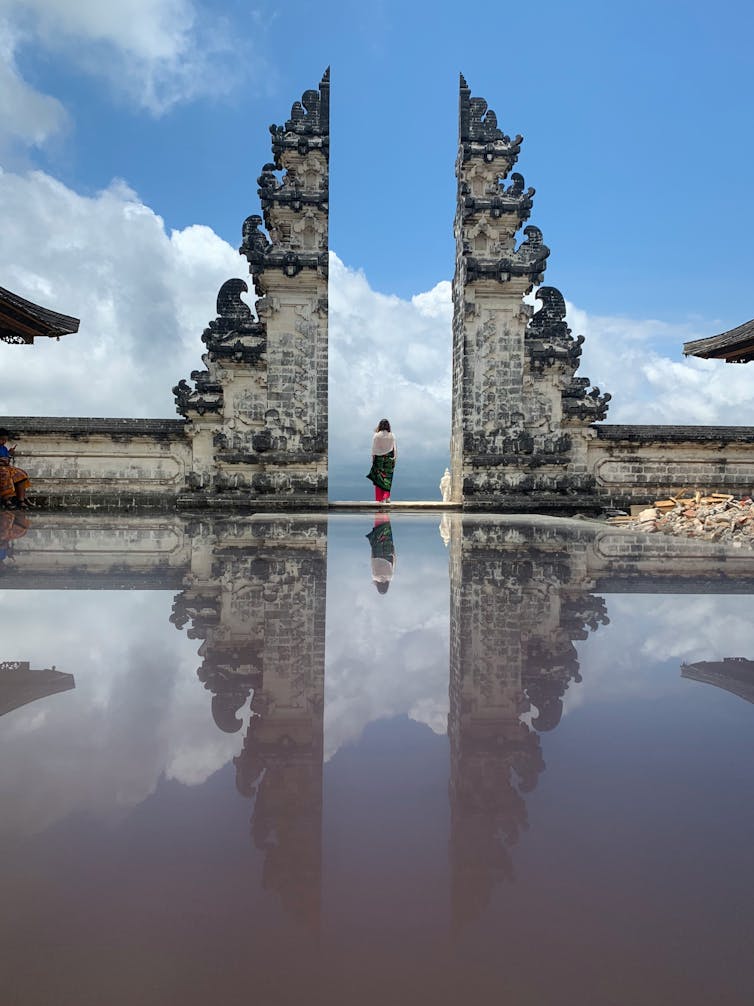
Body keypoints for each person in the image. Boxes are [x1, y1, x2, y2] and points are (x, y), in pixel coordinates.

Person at [366, 418, 397, 503]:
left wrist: (373, 460)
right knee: (387, 478)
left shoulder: (376, 435)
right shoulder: (392, 435)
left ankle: (380, 498)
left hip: (379, 458)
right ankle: (387, 497)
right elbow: (395, 448)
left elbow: (374, 449)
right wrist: (395, 459)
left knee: (379, 479)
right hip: (389, 458)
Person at [0, 429, 33, 509]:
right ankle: (6, 499)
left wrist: (9, 454)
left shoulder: (4, 448)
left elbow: (7, 460)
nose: (4, 442)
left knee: (20, 474)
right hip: (2, 469)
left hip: (6, 467)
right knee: (5, 474)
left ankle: (21, 500)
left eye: (5, 440)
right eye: (1, 439)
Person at [366, 514, 396, 594]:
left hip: (388, 551)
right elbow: (372, 560)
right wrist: (372, 547)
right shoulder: (375, 577)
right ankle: (379, 507)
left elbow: (394, 562)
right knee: (378, 527)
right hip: (377, 551)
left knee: (386, 528)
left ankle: (385, 508)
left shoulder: (391, 577)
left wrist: (393, 548)